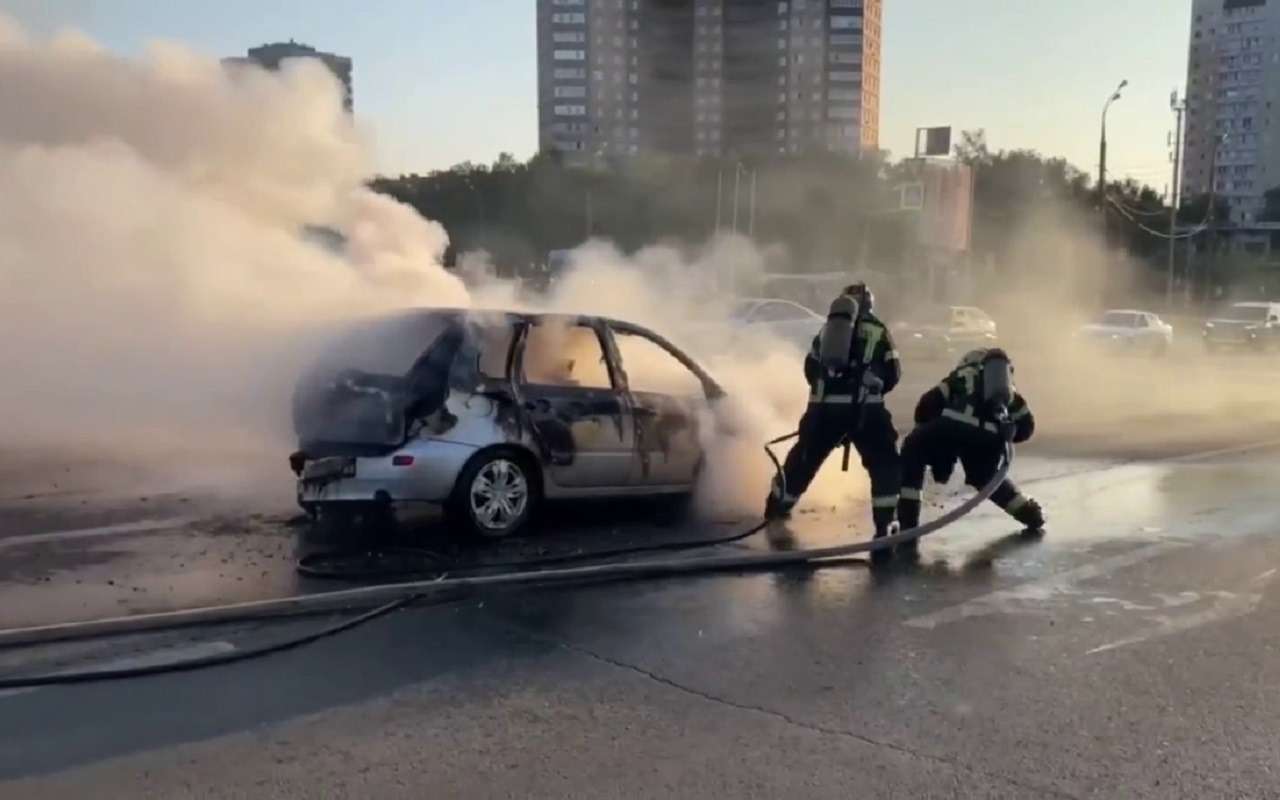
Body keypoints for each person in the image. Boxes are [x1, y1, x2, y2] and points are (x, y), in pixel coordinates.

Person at [765, 282, 902, 546]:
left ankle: (776, 508)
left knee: (803, 461)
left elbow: (810, 368)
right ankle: (884, 523)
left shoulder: (827, 331)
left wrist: (827, 394)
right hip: (865, 411)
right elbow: (893, 373)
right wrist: (873, 386)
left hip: (823, 411)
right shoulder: (878, 331)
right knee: (884, 462)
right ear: (869, 304)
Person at [896, 348, 1044, 558]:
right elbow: (1027, 427)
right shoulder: (1008, 391)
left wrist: (928, 439)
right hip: (987, 439)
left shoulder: (960, 376)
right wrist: (1009, 433)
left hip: (950, 426)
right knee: (985, 478)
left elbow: (927, 404)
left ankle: (908, 529)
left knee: (913, 448)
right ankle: (1030, 514)